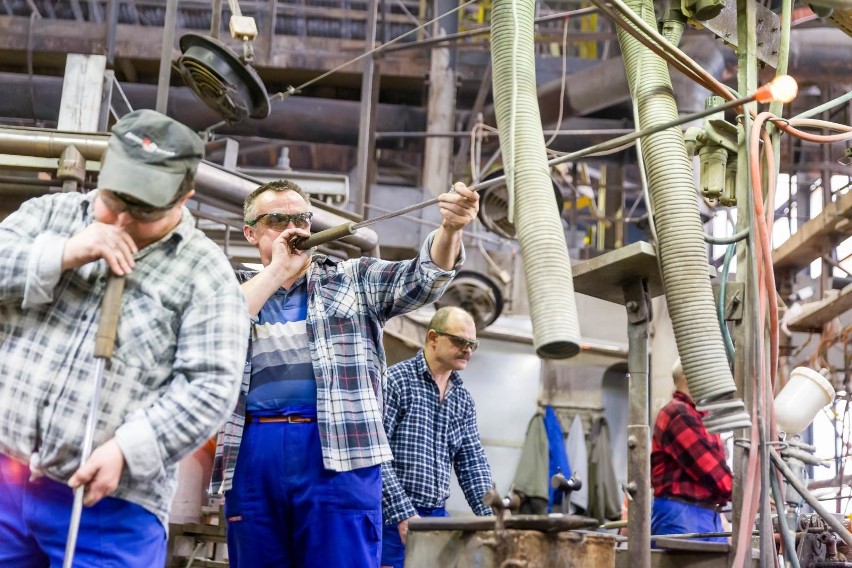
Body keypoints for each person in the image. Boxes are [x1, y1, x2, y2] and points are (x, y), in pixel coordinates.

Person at [0, 109, 250, 567]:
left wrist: (128, 449)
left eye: (142, 209)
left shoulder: (206, 275)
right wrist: (63, 253)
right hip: (5, 477)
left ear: (184, 198)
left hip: (111, 506)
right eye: (114, 201)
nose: (121, 219)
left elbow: (210, 386)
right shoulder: (50, 216)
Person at [212, 178, 479, 567]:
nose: (293, 229)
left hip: (339, 448)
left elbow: (422, 278)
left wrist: (451, 229)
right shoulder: (232, 287)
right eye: (277, 220)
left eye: (301, 219)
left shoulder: (352, 279)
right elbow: (214, 326)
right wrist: (277, 271)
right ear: (251, 232)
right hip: (253, 451)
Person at [380, 306, 493, 568]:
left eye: (473, 344)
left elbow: (473, 464)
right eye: (460, 341)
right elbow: (377, 455)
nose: (468, 350)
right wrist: (403, 514)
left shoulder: (462, 400)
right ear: (433, 338)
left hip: (437, 518)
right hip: (391, 516)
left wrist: (494, 519)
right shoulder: (396, 382)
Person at [650, 357, 732, 543]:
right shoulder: (678, 413)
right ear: (688, 377)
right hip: (682, 514)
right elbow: (711, 470)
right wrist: (749, 495)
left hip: (705, 513)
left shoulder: (700, 416)